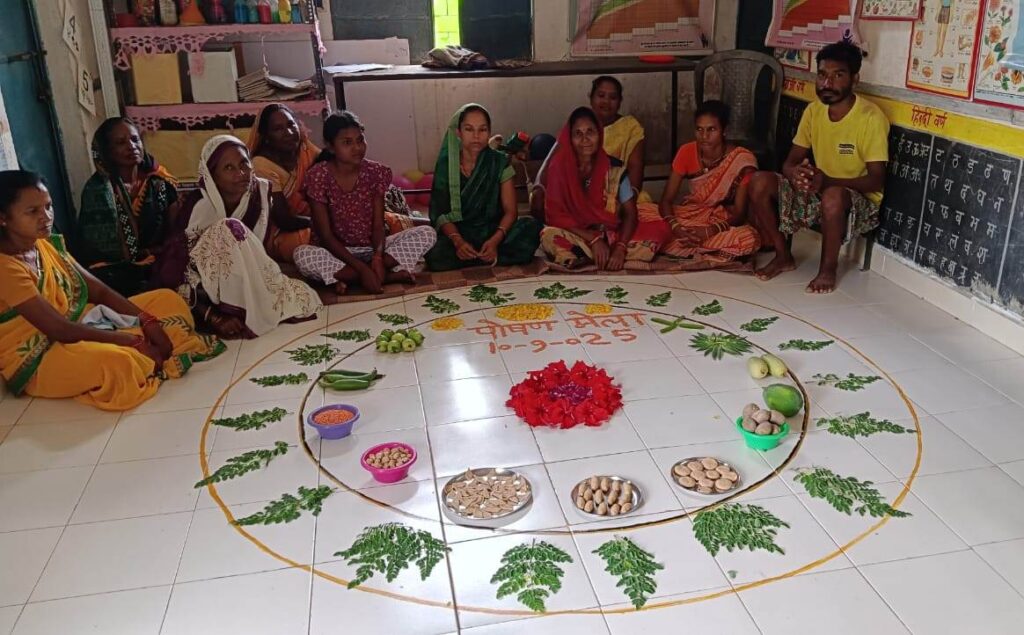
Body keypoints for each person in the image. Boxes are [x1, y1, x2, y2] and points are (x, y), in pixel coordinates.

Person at [0, 170, 225, 411]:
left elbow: (99, 291)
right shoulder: (6, 269)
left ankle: (147, 353)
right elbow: (59, 330)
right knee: (119, 363)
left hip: (81, 321)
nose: (46, 217)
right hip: (40, 354)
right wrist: (130, 341)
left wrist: (147, 320)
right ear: (3, 218)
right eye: (32, 211)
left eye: (48, 206)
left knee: (167, 300)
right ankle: (144, 355)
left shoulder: (45, 244)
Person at [749, 41, 889, 293]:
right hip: (820, 189)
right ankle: (783, 256)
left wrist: (827, 182)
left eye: (838, 76)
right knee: (759, 181)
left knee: (832, 196)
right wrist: (796, 174)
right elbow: (790, 162)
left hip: (857, 201)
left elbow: (876, 180)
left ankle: (827, 270)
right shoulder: (813, 111)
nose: (827, 83)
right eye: (822, 75)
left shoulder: (871, 118)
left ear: (855, 79)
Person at [153, 135, 321, 337]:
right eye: (228, 168)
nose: (241, 174)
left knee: (300, 297)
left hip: (244, 278)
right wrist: (212, 316)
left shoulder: (259, 193)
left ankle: (244, 304)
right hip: (202, 291)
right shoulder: (200, 207)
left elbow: (256, 254)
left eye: (244, 164)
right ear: (212, 176)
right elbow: (176, 271)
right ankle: (231, 308)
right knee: (229, 227)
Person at [293, 111, 437, 295]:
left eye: (360, 140)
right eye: (347, 142)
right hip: (335, 252)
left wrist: (377, 258)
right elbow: (325, 236)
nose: (357, 148)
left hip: (370, 248)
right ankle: (382, 276)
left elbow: (378, 225)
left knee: (427, 233)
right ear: (330, 147)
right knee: (302, 255)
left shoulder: (374, 173)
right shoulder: (318, 176)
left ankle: (351, 277)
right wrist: (362, 269)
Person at [538, 107, 671, 270]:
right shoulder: (559, 168)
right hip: (577, 234)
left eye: (590, 132)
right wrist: (593, 239)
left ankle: (588, 256)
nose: (585, 139)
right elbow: (555, 215)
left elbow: (630, 213)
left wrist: (620, 247)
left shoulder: (614, 169)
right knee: (548, 235)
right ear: (570, 138)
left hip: (611, 234)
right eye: (578, 134)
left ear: (600, 134)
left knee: (659, 230)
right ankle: (596, 255)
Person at [640, 100, 762, 262]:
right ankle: (698, 244)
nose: (704, 136)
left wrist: (709, 231)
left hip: (721, 221)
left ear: (724, 130)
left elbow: (739, 214)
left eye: (712, 129)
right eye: (699, 129)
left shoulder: (742, 160)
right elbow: (666, 200)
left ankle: (675, 243)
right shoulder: (686, 151)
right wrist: (676, 227)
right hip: (691, 215)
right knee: (639, 211)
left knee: (748, 238)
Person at [424, 104, 541, 271]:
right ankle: (486, 257)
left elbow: (511, 212)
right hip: (461, 232)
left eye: (482, 130)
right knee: (434, 251)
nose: (476, 136)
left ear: (489, 133)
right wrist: (458, 242)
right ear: (458, 133)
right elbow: (441, 213)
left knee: (531, 227)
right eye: (469, 129)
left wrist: (494, 241)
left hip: (494, 231)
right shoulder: (446, 165)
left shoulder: (499, 162)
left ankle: (481, 256)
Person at [77, 117, 178, 296]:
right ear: (107, 151)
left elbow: (175, 232)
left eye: (135, 139)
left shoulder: (160, 184)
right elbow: (93, 247)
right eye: (120, 143)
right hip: (114, 272)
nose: (131, 146)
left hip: (159, 263)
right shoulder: (97, 190)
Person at [246, 103, 319, 262]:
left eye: (291, 124)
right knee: (306, 240)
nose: (289, 133)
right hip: (284, 232)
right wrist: (324, 224)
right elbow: (283, 220)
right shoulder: (261, 165)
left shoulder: (305, 150)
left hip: (316, 219)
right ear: (266, 137)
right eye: (278, 129)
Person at [590, 76, 647, 201]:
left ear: (620, 102)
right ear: (591, 98)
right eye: (601, 95)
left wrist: (627, 201)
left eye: (613, 97)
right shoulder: (580, 126)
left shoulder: (631, 127)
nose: (606, 101)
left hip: (620, 195)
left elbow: (635, 167)